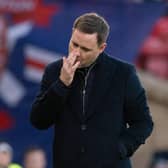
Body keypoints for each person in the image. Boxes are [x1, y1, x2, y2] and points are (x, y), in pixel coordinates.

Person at [30, 12, 153, 168]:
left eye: (85, 49)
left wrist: (120, 149)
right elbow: (39, 121)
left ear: (101, 48)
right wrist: (61, 85)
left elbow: (143, 123)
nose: (77, 53)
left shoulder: (123, 73)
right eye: (74, 44)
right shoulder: (54, 71)